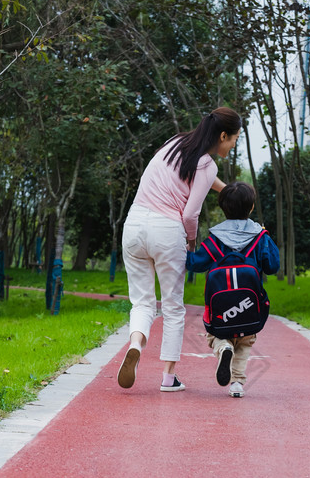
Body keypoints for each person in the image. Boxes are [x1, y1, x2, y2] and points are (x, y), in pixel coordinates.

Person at [118, 107, 241, 392]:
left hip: (134, 225)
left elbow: (203, 179)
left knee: (142, 303)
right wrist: (190, 239)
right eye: (234, 138)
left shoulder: (175, 144)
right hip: (167, 230)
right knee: (173, 308)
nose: (233, 144)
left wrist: (229, 191)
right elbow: (189, 215)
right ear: (222, 135)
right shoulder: (208, 164)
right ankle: (167, 377)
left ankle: (136, 344)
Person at [186, 180, 280, 398]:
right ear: (252, 208)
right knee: (246, 341)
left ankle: (222, 348)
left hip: (220, 307)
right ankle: (237, 383)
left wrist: (184, 249)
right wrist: (266, 237)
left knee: (216, 334)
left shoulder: (215, 240)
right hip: (249, 306)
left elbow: (195, 264)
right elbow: (273, 266)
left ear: (223, 208)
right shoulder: (260, 237)